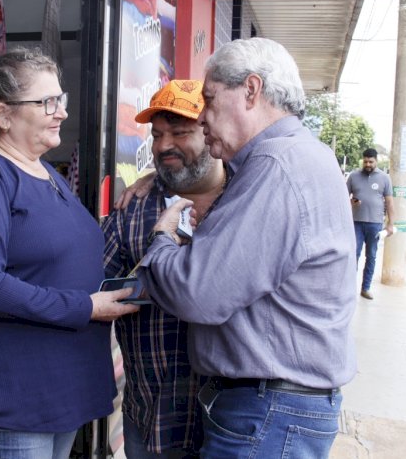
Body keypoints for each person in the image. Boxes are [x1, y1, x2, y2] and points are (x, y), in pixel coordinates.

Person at [136, 37, 357, 458]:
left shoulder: (277, 165)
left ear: (251, 91)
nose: (204, 120)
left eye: (211, 100)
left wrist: (163, 239)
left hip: (268, 411)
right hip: (273, 409)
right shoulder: (298, 157)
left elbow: (196, 293)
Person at [0, 47, 139, 459]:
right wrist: (83, 306)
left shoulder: (46, 172)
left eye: (60, 100)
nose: (61, 111)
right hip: (20, 395)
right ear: (3, 115)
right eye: (47, 102)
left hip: (62, 383)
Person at [102, 80, 225, 458]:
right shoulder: (133, 210)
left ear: (211, 133)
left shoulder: (248, 200)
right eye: (157, 134)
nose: (163, 145)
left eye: (180, 132)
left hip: (230, 423)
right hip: (151, 418)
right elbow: (94, 290)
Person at [346, 148, 395, 300]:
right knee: (353, 255)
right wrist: (352, 201)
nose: (367, 164)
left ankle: (365, 288)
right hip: (356, 223)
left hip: (375, 224)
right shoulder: (353, 176)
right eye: (365, 161)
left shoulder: (384, 178)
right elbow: (344, 197)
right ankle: (348, 289)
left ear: (376, 161)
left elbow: (389, 202)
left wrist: (390, 223)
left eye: (371, 162)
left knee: (371, 256)